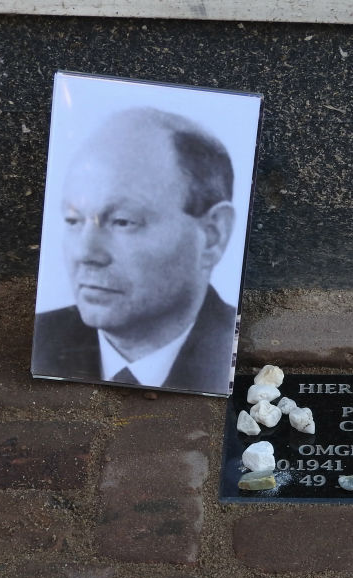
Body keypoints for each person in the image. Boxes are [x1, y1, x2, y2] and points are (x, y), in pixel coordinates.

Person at [32, 107, 237, 395]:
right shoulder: (32, 342)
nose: (85, 253)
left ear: (212, 236)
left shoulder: (248, 359)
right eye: (73, 220)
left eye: (122, 221)